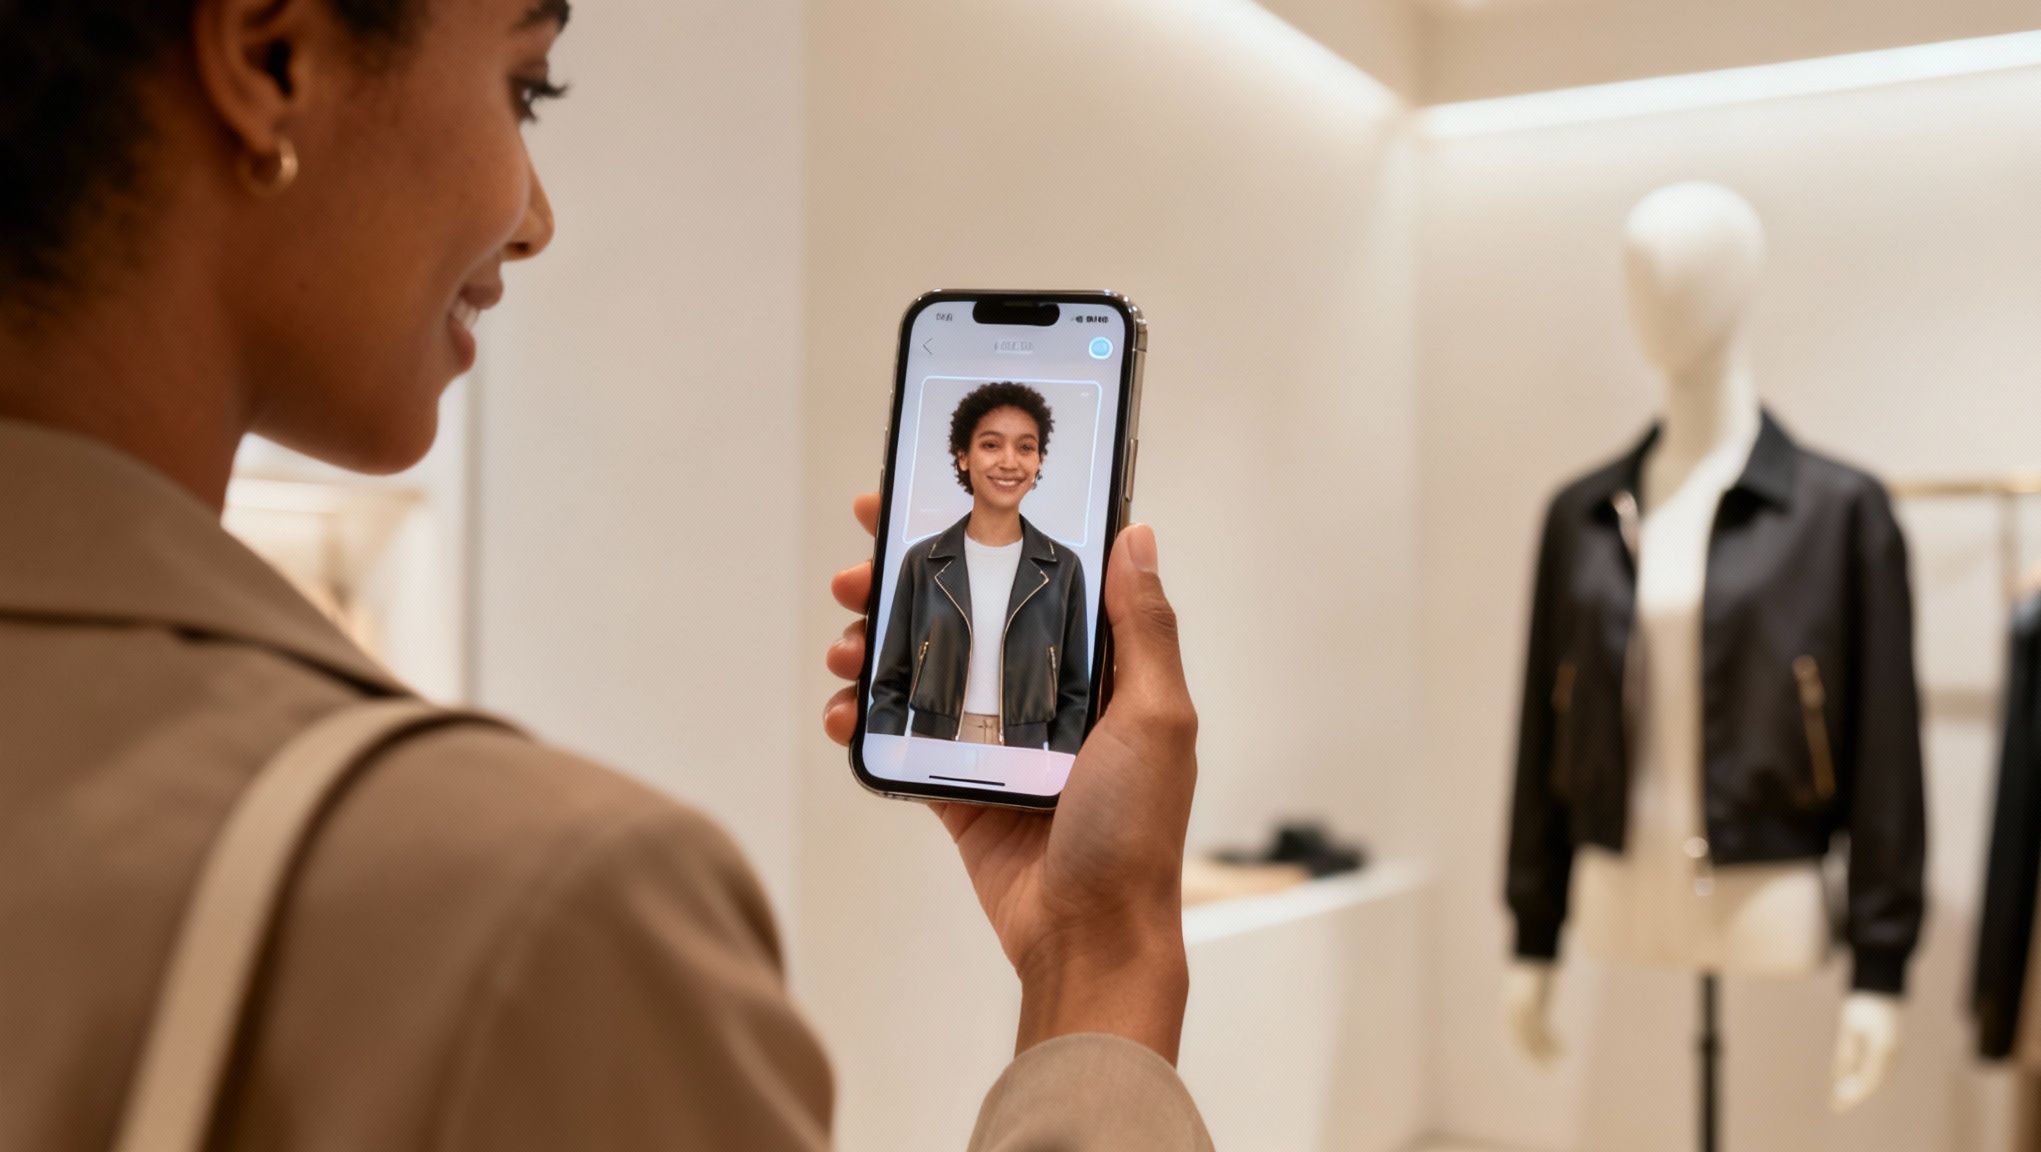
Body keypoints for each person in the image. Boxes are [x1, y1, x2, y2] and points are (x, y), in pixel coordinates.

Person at [0, 2, 1211, 1150]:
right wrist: (1097, 957)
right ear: (271, 61)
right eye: (524, 85)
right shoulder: (535, 915)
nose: (534, 217)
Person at [869, 382, 1093, 754]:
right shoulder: (923, 562)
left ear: (1039, 461)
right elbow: (891, 682)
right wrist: (881, 753)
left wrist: (1064, 768)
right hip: (932, 746)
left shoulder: (1063, 568)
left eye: (1026, 447)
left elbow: (1075, 693)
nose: (1009, 461)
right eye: (991, 444)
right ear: (963, 456)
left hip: (1025, 753)